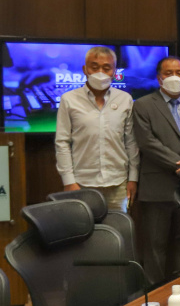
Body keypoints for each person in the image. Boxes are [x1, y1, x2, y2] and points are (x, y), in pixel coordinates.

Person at [132, 56, 180, 285]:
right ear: (159, 78)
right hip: (158, 187)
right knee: (155, 247)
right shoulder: (143, 105)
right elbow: (147, 142)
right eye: (168, 73)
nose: (175, 77)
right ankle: (155, 296)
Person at [55, 46, 139, 211]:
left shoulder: (125, 99)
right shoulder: (69, 99)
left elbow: (131, 142)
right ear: (85, 69)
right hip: (81, 184)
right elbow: (62, 143)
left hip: (118, 184)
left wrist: (133, 178)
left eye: (106, 68)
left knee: (119, 226)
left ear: (115, 72)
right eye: (94, 67)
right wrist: (68, 181)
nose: (100, 73)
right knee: (83, 227)